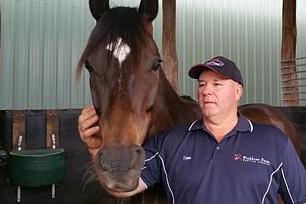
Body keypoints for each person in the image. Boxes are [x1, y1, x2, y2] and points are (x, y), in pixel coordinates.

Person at [78, 56, 306, 203]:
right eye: (202, 85)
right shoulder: (168, 143)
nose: (207, 91)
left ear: (237, 92)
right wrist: (96, 149)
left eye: (217, 84)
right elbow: (124, 187)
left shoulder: (275, 141)